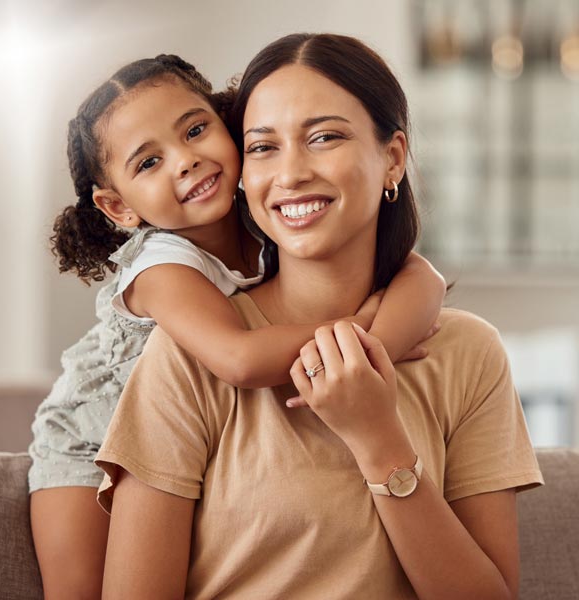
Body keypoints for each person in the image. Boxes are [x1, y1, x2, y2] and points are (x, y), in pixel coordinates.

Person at [96, 33, 543, 600]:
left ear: (393, 158)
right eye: (262, 147)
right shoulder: (189, 354)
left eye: (324, 137)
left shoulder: (468, 353)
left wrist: (378, 439)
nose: (291, 173)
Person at [28, 53, 446, 599]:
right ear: (118, 206)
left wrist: (369, 354)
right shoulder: (160, 267)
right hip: (85, 436)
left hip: (186, 434)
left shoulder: (274, 211)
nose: (185, 161)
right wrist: (351, 327)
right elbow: (240, 359)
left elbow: (424, 278)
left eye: (196, 131)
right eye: (148, 163)